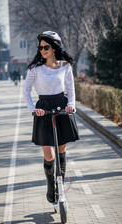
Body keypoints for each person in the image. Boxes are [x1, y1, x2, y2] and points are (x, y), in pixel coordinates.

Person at [24, 31, 79, 203]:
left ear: (54, 47)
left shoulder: (65, 66)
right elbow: (26, 90)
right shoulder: (35, 68)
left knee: (61, 151)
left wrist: (72, 106)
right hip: (44, 109)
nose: (42, 50)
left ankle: (60, 185)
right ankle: (50, 185)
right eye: (40, 47)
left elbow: (70, 88)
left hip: (62, 108)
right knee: (49, 155)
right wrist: (34, 109)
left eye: (46, 47)